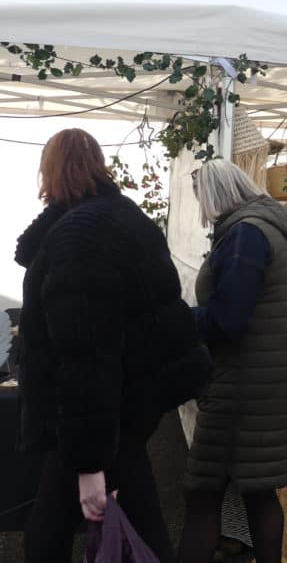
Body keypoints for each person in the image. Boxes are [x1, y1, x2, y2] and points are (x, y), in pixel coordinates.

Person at [14, 128, 210, 563]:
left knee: (59, 528)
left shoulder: (78, 237)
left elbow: (86, 353)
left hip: (102, 411)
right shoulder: (121, 217)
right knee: (109, 520)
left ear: (49, 171)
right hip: (124, 404)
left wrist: (90, 463)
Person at [178, 159, 287, 563]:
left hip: (242, 387)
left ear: (215, 195)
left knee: (202, 492)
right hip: (269, 381)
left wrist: (177, 318)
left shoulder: (245, 235)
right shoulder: (267, 228)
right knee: (258, 490)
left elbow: (228, 319)